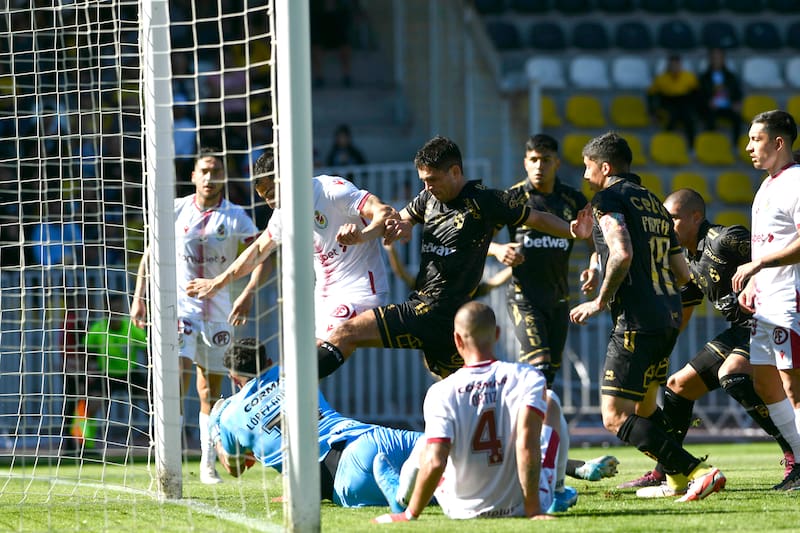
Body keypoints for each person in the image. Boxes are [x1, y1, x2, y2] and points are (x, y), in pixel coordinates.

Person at [316, 135, 592, 382]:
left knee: (344, 333)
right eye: (423, 180)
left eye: (432, 179)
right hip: (448, 323)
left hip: (430, 311)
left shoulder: (486, 200)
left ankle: (290, 394)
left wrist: (571, 230)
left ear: (455, 172)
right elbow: (394, 220)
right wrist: (367, 234)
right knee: (461, 398)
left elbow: (536, 217)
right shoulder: (428, 199)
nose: (427, 186)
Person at [568, 131, 726, 502]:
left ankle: (698, 470)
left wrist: (600, 301)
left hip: (636, 320)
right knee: (644, 407)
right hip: (666, 316)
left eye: (587, 166)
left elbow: (621, 253)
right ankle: (675, 479)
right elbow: (683, 271)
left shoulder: (607, 199)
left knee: (614, 416)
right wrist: (597, 261)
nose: (585, 174)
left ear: (605, 167)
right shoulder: (654, 203)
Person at [620, 188, 800, 496]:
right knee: (678, 386)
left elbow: (771, 261)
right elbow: (684, 307)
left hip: (768, 323)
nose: (668, 225)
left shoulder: (724, 239)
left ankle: (794, 456)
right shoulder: (685, 258)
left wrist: (755, 281)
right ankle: (669, 470)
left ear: (696, 217)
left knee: (732, 373)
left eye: (673, 218)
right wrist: (658, 350)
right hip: (740, 331)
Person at [486, 133, 617, 507]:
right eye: (533, 159)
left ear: (557, 162)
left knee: (548, 388)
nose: (539, 166)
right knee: (538, 375)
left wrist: (594, 266)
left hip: (560, 302)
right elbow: (483, 238)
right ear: (524, 163)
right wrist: (499, 249)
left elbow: (597, 242)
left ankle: (549, 461)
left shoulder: (573, 200)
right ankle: (538, 471)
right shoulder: (513, 198)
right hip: (524, 299)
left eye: (546, 159)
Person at [131, 148, 264, 485]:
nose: (209, 177)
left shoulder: (237, 217)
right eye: (204, 171)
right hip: (182, 309)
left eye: (216, 171)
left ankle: (207, 463)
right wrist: (139, 297)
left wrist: (247, 294)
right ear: (193, 176)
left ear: (224, 177)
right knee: (177, 374)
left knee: (210, 392)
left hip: (220, 314)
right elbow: (150, 252)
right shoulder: (176, 210)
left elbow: (262, 254)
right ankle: (168, 456)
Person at [372, 301, 562, 522]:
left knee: (429, 442)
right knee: (551, 402)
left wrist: (410, 516)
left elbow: (435, 461)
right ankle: (558, 491)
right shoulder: (527, 377)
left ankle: (404, 500)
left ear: (457, 340)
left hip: (460, 507)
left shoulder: (441, 391)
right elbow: (526, 445)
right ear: (497, 334)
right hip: (519, 504)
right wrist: (534, 511)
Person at [185, 147, 398, 340]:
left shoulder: (331, 190)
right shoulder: (281, 214)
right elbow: (258, 250)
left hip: (360, 290)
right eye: (264, 198)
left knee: (324, 349)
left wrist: (362, 235)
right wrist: (217, 283)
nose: (271, 203)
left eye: (271, 194)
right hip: (324, 297)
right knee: (304, 364)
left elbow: (384, 212)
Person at [209, 337, 421, 509]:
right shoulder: (290, 371)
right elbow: (327, 346)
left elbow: (234, 468)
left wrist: (215, 430)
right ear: (268, 362)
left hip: (344, 482)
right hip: (367, 438)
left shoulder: (229, 416)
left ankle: (401, 494)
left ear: (234, 379)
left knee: (432, 496)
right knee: (445, 448)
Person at [732, 109, 800, 489]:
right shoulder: (767, 185)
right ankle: (799, 460)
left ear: (778, 142)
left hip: (791, 299)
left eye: (755, 139)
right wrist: (754, 283)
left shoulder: (796, 182)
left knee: (794, 388)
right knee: (764, 383)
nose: (749, 147)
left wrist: (758, 266)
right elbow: (769, 241)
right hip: (766, 301)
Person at [85, 293, 149, 434]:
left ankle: (158, 436)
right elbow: (88, 353)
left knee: (152, 401)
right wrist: (91, 373)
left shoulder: (131, 327)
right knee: (89, 405)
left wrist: (149, 372)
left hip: (129, 373)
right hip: (106, 374)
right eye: (113, 310)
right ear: (107, 311)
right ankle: (85, 444)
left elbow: (146, 349)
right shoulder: (97, 329)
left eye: (119, 310)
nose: (116, 314)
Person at [647, 54, 699, 148]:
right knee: (670, 119)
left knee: (689, 120)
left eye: (677, 65)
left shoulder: (689, 77)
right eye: (672, 65)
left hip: (684, 102)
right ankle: (667, 145)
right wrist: (652, 112)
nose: (675, 67)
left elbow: (696, 95)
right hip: (668, 103)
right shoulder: (661, 79)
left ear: (680, 65)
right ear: (668, 65)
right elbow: (651, 95)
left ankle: (692, 147)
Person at [697, 47, 743, 145]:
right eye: (714, 58)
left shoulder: (731, 76)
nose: (716, 60)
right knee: (709, 117)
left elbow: (737, 92)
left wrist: (736, 102)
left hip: (727, 105)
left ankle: (736, 145)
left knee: (737, 118)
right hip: (710, 107)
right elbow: (699, 95)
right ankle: (711, 144)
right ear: (710, 59)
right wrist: (708, 102)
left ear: (723, 59)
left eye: (719, 58)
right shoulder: (704, 77)